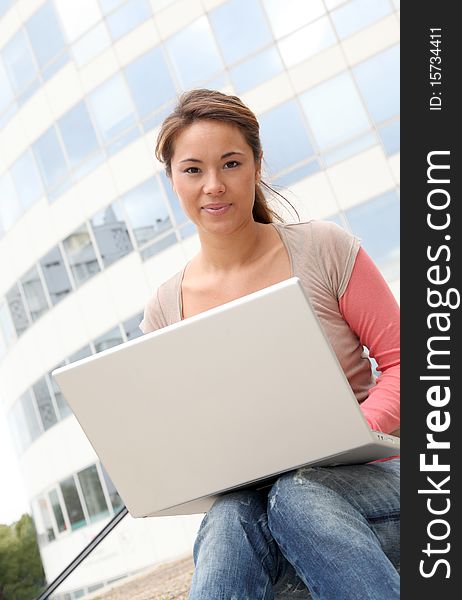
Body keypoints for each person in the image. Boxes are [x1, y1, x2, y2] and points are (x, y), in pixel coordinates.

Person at [140, 89, 400, 600]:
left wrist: (353, 429)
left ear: (256, 165)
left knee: (298, 496)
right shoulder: (164, 309)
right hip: (256, 502)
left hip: (371, 485)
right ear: (171, 179)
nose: (214, 186)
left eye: (231, 163)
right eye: (192, 170)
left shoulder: (325, 248)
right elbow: (178, 431)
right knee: (229, 519)